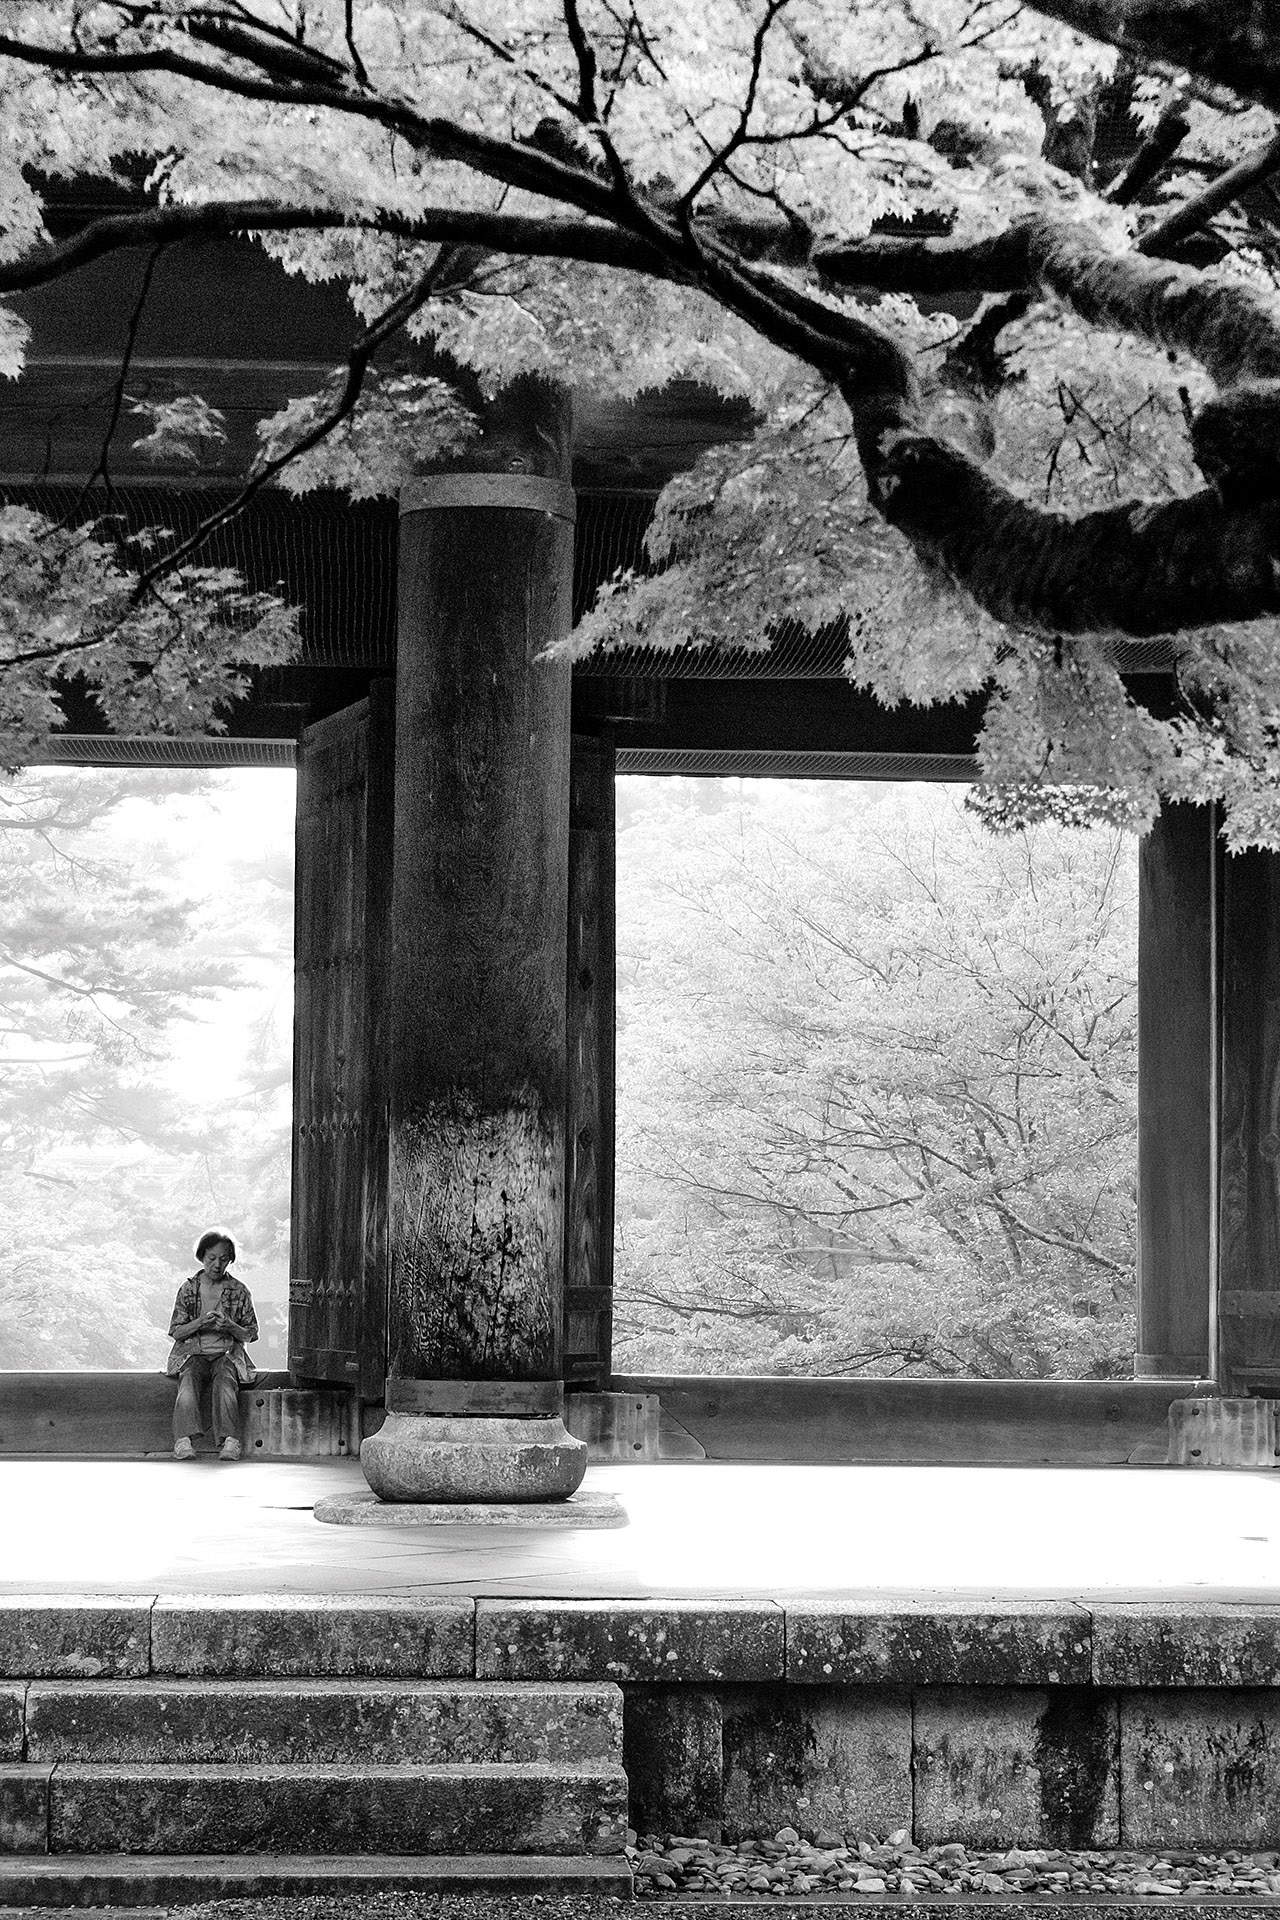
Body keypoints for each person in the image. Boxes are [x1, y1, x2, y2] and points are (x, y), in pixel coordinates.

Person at [166, 1232, 258, 1461]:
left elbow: (251, 1333)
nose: (217, 1265)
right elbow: (176, 1331)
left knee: (226, 1383)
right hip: (192, 1353)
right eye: (211, 1258)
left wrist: (229, 1326)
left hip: (226, 1354)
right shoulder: (188, 1289)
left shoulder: (239, 1290)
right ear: (201, 1257)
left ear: (230, 1260)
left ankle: (230, 1441)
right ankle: (183, 1440)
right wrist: (199, 1323)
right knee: (187, 1383)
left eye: (224, 1259)